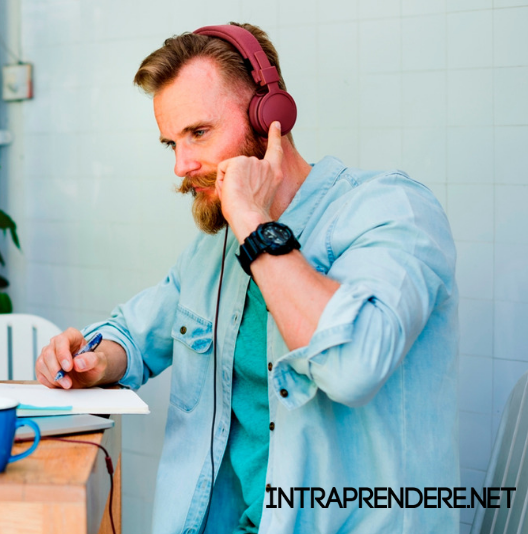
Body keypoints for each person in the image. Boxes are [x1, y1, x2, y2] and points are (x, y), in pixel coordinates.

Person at [35, 23, 459, 534]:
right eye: (171, 143)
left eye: (199, 133)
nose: (181, 165)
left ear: (270, 117)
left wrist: (255, 224)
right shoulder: (213, 250)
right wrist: (96, 360)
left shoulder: (393, 211)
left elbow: (353, 365)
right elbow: (137, 333)